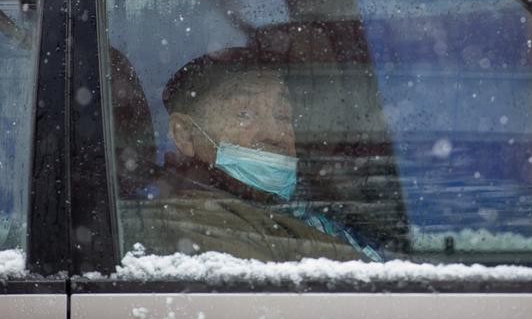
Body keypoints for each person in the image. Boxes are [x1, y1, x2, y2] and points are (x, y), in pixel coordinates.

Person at [119, 47, 368, 262]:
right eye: (244, 114)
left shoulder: (313, 204)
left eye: (283, 115)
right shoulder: (196, 224)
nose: (274, 134)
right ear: (184, 134)